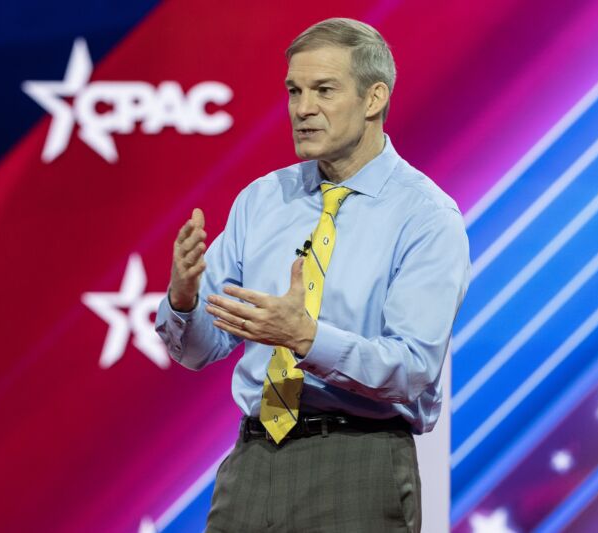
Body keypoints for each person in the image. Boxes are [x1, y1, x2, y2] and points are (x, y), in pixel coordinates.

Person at [155, 17, 470, 533]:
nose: (303, 109)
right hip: (253, 460)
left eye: (324, 90)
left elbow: (412, 367)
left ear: (374, 99)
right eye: (294, 91)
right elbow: (195, 351)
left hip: (359, 461)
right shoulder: (262, 200)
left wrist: (305, 337)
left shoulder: (426, 216)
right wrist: (184, 298)